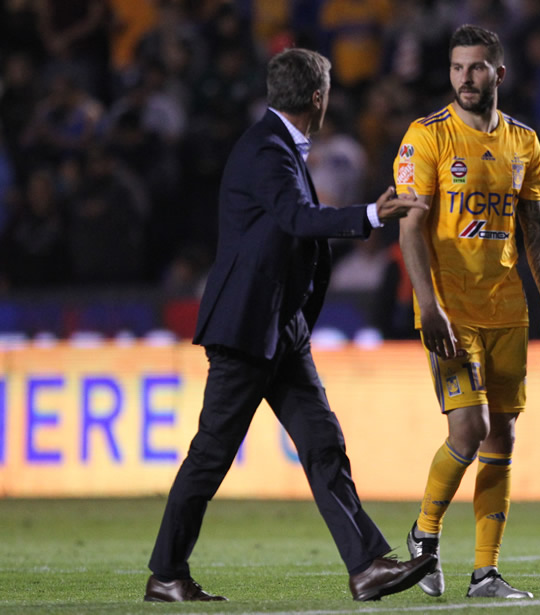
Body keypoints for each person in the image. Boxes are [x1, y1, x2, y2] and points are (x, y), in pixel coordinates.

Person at [144, 48, 435, 603]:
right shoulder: (266, 151)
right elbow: (299, 220)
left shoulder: (273, 147)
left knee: (323, 442)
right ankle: (166, 574)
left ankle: (368, 566)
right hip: (248, 329)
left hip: (281, 327)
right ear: (319, 98)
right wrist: (371, 214)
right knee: (211, 456)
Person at [393, 25, 540, 600]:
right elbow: (410, 226)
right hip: (450, 311)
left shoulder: (524, 142)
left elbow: (537, 231)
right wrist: (427, 303)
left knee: (503, 441)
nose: (466, 78)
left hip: (508, 309)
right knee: (470, 427)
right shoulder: (426, 137)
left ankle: (485, 573)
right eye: (457, 67)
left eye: (477, 67)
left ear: (499, 73)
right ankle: (423, 534)